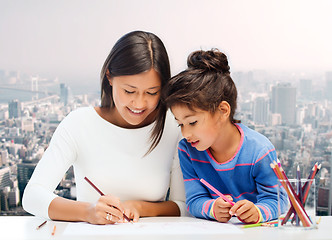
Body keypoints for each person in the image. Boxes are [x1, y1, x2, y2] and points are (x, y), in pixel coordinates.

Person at [22, 30, 187, 225]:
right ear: (109, 77)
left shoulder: (174, 126)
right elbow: (32, 197)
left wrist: (140, 207)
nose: (139, 103)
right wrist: (88, 211)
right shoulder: (78, 124)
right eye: (129, 91)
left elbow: (183, 205)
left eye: (152, 92)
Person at [163, 49, 288, 224]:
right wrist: (212, 208)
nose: (186, 133)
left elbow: (278, 201)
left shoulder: (259, 151)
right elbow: (194, 200)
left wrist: (257, 212)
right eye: (180, 124)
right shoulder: (188, 151)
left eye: (192, 122)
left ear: (222, 111)